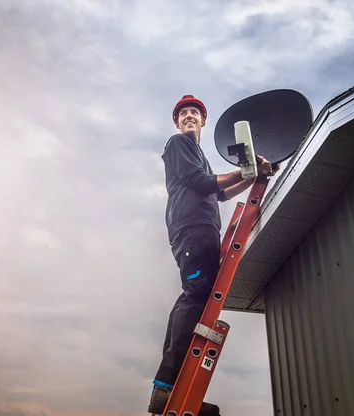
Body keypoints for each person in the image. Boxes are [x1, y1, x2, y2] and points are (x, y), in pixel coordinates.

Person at [148, 95, 275, 415]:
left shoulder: (197, 154)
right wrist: (246, 171)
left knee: (194, 297)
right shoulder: (178, 144)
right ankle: (166, 386)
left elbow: (218, 192)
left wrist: (250, 178)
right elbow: (200, 183)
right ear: (177, 122)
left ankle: (168, 386)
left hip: (198, 230)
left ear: (203, 120)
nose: (189, 116)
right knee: (196, 296)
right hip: (192, 229)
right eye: (184, 113)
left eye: (195, 112)